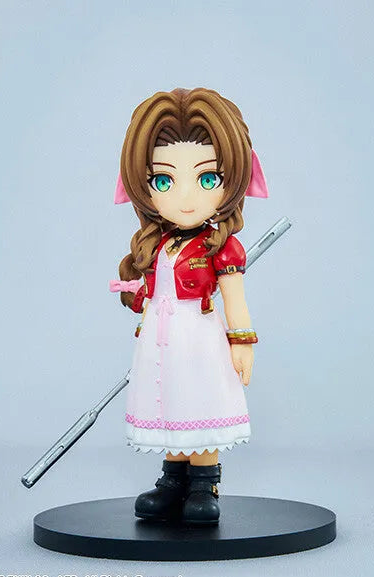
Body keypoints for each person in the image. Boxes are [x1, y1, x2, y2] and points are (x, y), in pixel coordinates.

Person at [109, 87, 268, 524]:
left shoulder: (221, 246)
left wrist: (242, 341)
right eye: (163, 181)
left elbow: (234, 298)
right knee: (168, 401)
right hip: (159, 341)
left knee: (200, 399)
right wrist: (136, 293)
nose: (185, 198)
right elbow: (153, 291)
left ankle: (203, 483)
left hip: (199, 336)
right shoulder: (157, 244)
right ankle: (172, 480)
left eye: (207, 178)